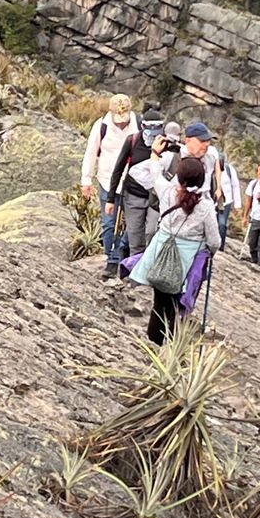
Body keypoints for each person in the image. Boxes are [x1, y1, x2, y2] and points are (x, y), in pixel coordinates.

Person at [128, 153, 222, 345]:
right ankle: (171, 347)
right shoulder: (205, 206)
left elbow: (154, 172)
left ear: (179, 176)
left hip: (161, 252)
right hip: (186, 259)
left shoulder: (167, 192)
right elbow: (214, 240)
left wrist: (155, 153)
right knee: (176, 305)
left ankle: (154, 344)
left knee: (159, 303)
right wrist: (208, 251)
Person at [80, 94, 139, 276]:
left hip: (132, 181)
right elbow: (91, 152)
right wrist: (86, 180)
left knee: (129, 223)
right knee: (109, 223)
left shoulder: (137, 126)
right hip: (107, 180)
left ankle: (122, 257)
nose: (121, 123)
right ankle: (111, 258)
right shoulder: (102, 126)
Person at [105, 110, 165, 260]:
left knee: (152, 232)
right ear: (142, 126)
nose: (153, 131)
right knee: (135, 237)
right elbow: (118, 170)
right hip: (133, 197)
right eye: (149, 127)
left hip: (156, 199)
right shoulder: (132, 141)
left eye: (157, 127)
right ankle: (133, 274)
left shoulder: (166, 144)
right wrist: (110, 199)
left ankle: (148, 268)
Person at [217, 157, 241, 251]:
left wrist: (237, 205)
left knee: (222, 224)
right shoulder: (209, 167)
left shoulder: (229, 169)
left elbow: (235, 186)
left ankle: (220, 246)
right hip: (212, 201)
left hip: (225, 202)